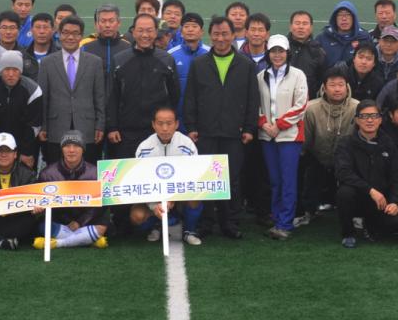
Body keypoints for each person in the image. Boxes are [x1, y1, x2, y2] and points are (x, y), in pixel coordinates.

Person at [182, 16, 258, 240]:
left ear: (233, 35)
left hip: (234, 134)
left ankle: (230, 223)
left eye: (225, 34)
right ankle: (206, 223)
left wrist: (249, 128)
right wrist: (192, 126)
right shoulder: (199, 64)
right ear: (210, 35)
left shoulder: (246, 64)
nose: (221, 38)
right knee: (206, 179)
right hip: (205, 132)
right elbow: (191, 98)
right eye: (216, 34)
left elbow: (252, 100)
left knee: (232, 180)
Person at [106, 14, 182, 161]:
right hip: (126, 133)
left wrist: (164, 124)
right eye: (140, 30)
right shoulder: (120, 59)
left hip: (157, 132)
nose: (145, 35)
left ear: (155, 32)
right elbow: (112, 96)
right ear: (133, 32)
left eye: (149, 30)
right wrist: (113, 127)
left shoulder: (166, 60)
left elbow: (174, 95)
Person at [334, 101, 398, 248]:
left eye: (374, 116)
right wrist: (370, 190)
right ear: (357, 120)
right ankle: (348, 233)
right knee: (345, 192)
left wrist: (395, 201)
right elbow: (343, 173)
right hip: (358, 196)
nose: (369, 120)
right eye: (364, 116)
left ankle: (369, 224)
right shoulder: (346, 143)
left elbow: (397, 175)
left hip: (381, 200)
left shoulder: (388, 143)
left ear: (380, 119)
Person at [256, 35, 308, 240]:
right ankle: (277, 219)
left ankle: (285, 223)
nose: (277, 55)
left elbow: (301, 105)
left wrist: (279, 124)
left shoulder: (298, 75)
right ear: (268, 54)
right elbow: (255, 104)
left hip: (289, 136)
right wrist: (265, 124)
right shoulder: (260, 76)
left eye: (281, 51)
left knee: (288, 181)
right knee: (275, 180)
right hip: (267, 135)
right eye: (273, 51)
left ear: (288, 53)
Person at [37, 16, 106, 167]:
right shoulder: (47, 63)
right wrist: (43, 126)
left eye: (75, 33)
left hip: (87, 128)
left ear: (81, 36)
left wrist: (100, 125)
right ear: (59, 34)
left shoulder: (95, 62)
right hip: (56, 128)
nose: (70, 37)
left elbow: (99, 96)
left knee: (88, 171)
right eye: (66, 32)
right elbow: (43, 98)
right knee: (56, 171)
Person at [131, 106, 203, 244]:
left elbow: (194, 176)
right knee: (137, 216)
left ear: (177, 124)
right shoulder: (144, 147)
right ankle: (156, 226)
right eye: (160, 123)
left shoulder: (187, 144)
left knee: (196, 197)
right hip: (154, 197)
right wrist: (154, 206)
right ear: (153, 124)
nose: (165, 128)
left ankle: (189, 230)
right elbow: (140, 181)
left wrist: (174, 197)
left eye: (169, 123)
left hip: (180, 196)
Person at [300, 64, 357, 224]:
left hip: (346, 160)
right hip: (318, 156)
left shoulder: (357, 107)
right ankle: (307, 211)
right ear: (324, 88)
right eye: (332, 85)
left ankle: (355, 214)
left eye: (340, 85)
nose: (337, 89)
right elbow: (306, 141)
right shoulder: (311, 108)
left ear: (347, 87)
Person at [36, 132, 108, 250]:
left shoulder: (96, 172)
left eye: (76, 146)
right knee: (42, 226)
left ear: (83, 149)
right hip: (61, 220)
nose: (71, 150)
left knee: (104, 219)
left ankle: (59, 243)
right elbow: (41, 202)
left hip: (86, 220)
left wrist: (79, 222)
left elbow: (99, 206)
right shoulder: (47, 173)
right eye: (67, 146)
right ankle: (88, 239)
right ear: (62, 149)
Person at [0, 51, 43, 168]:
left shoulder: (34, 90)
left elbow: (34, 125)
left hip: (22, 151)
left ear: (21, 71)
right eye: (7, 70)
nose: (11, 74)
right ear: (1, 70)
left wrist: (25, 152)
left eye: (15, 70)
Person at [285, 10, 329, 94]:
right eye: (297, 23)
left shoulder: (318, 52)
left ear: (311, 28)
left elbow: (321, 80)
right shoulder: (282, 48)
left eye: (305, 24)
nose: (301, 27)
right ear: (290, 27)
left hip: (308, 101)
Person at [315, 1, 368, 66]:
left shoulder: (364, 38)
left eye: (348, 14)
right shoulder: (322, 38)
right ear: (335, 18)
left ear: (354, 18)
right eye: (340, 15)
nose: (344, 18)